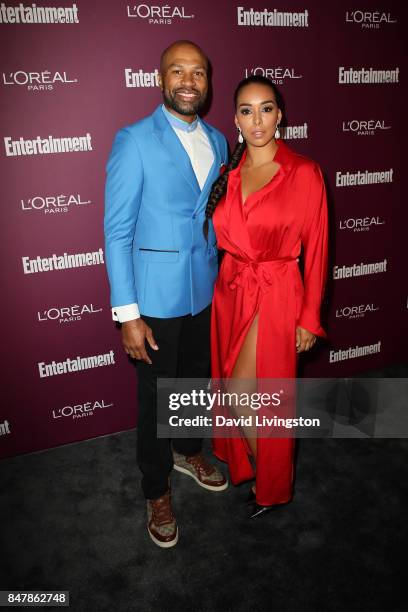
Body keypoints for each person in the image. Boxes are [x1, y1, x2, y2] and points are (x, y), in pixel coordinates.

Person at [104, 40, 228, 548]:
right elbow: (117, 232)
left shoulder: (220, 140)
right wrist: (128, 314)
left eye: (197, 73)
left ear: (207, 82)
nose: (188, 81)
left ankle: (188, 449)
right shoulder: (133, 140)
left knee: (194, 381)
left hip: (205, 292)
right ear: (160, 79)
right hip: (153, 299)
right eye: (177, 71)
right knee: (156, 397)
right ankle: (155, 489)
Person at [204, 75, 328, 519]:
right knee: (245, 394)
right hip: (231, 290)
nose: (257, 119)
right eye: (246, 110)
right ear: (235, 118)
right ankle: (267, 475)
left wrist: (309, 318)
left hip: (275, 291)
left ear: (281, 115)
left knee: (248, 391)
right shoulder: (229, 172)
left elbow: (317, 250)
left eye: (266, 108)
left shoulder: (304, 172)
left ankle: (275, 480)